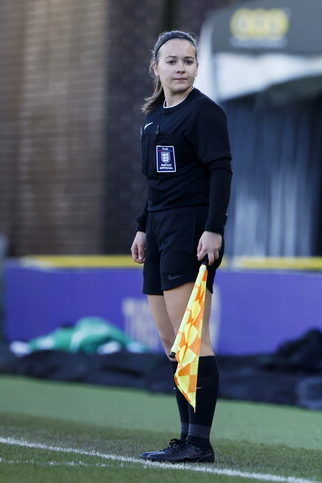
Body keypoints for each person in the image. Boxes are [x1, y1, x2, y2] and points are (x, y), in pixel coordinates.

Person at [131, 30, 232, 464]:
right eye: (172, 61)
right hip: (159, 230)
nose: (181, 68)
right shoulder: (154, 116)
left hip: (191, 231)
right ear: (156, 68)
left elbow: (221, 172)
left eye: (188, 61)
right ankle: (185, 436)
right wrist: (142, 226)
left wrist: (213, 228)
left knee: (193, 340)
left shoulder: (205, 113)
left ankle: (199, 442)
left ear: (196, 67)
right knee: (172, 340)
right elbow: (156, 184)